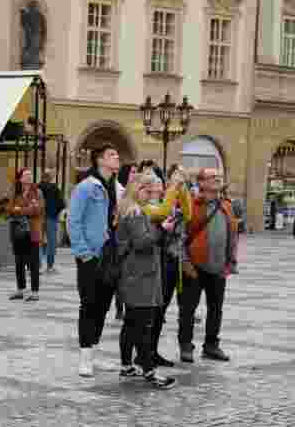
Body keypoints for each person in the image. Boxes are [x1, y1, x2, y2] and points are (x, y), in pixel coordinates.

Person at [116, 173, 177, 389]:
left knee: (132, 324)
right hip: (139, 277)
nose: (150, 193)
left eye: (151, 189)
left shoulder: (136, 211)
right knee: (142, 326)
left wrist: (162, 230)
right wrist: (162, 229)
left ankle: (126, 365)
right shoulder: (134, 213)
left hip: (138, 275)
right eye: (145, 189)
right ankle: (149, 372)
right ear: (135, 190)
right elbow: (142, 243)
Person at [68, 145, 121, 377]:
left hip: (112, 255)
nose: (117, 158)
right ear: (99, 160)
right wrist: (83, 253)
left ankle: (95, 353)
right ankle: (85, 357)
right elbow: (74, 220)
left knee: (103, 305)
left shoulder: (118, 188)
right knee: (89, 305)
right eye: (112, 155)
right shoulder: (87, 186)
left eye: (117, 155)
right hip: (92, 256)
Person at [177, 168, 238, 364]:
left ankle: (211, 346)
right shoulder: (191, 205)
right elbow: (180, 236)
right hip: (194, 267)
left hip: (219, 267)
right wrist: (185, 262)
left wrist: (231, 261)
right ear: (201, 182)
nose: (217, 179)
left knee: (216, 308)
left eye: (219, 177)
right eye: (212, 177)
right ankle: (186, 346)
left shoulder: (226, 205)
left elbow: (232, 234)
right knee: (188, 309)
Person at [7, 168, 45, 301]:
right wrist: (26, 209)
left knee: (34, 263)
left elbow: (38, 209)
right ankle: (20, 290)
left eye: (30, 175)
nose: (29, 177)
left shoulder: (37, 192)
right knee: (19, 262)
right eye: (26, 175)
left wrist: (20, 210)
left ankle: (35, 292)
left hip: (33, 231)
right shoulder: (15, 192)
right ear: (20, 178)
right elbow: (10, 209)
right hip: (18, 232)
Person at [38, 170, 66, 273]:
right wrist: (55, 213)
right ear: (50, 178)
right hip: (51, 218)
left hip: (38, 218)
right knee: (51, 242)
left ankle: (38, 265)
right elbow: (61, 204)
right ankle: (50, 266)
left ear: (42, 177)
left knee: (38, 242)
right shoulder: (55, 188)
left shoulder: (37, 187)